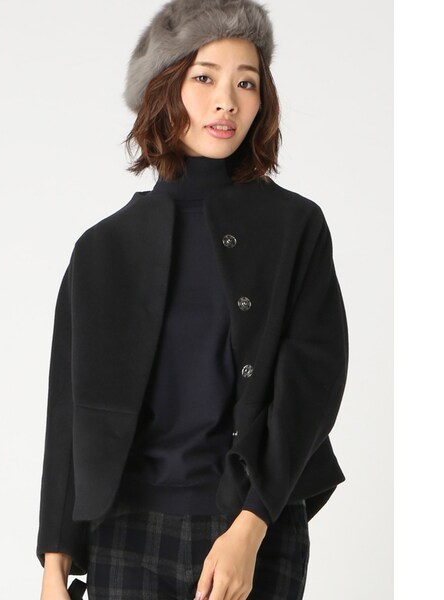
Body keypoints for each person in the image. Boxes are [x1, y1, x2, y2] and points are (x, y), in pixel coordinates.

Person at [36, 1, 349, 599]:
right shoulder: (101, 249)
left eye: (246, 83)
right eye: (204, 77)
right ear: (165, 88)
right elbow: (70, 411)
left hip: (253, 523)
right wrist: (56, 565)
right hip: (126, 529)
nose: (226, 101)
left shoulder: (296, 228)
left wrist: (249, 528)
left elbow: (312, 385)